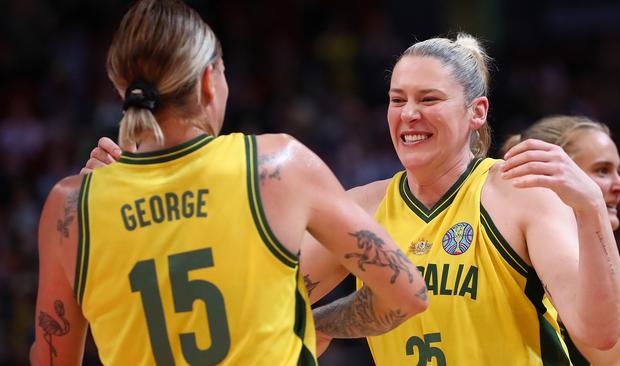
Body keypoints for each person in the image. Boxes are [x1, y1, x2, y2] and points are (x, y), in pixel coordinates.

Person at [85, 33, 620, 365]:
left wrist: (586, 207)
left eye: (428, 100)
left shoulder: (519, 193)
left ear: (476, 113)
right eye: (397, 100)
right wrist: (143, 189)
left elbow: (601, 334)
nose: (408, 115)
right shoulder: (359, 209)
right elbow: (245, 297)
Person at [30, 1, 427, 365]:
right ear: (208, 81)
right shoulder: (278, 165)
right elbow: (408, 292)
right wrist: (316, 323)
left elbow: (52, 359)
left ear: (123, 90)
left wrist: (108, 195)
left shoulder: (70, 208)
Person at [502, 115, 620, 366]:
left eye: (618, 171)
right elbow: (614, 360)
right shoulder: (541, 253)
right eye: (602, 170)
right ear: (549, 171)